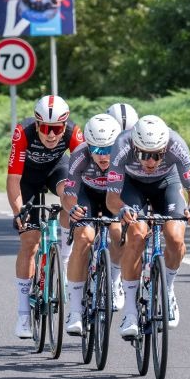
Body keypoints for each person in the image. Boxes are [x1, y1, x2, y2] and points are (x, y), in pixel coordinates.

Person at [104, 114, 190, 338]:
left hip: (167, 183)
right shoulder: (121, 145)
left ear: (165, 147)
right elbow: (111, 198)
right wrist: (122, 209)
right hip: (132, 186)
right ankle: (130, 311)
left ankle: (168, 290)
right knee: (137, 235)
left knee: (176, 237)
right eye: (143, 155)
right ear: (134, 146)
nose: (150, 162)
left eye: (157, 155)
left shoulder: (176, 144)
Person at [6, 94, 85, 339]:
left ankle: (63, 255)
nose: (51, 135)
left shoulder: (74, 132)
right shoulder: (24, 132)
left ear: (65, 126)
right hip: (27, 178)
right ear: (38, 125)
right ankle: (23, 314)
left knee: (68, 195)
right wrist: (19, 211)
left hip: (56, 170)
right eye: (46, 128)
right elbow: (13, 180)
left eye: (57, 129)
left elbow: (84, 172)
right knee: (29, 240)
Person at [62, 106, 137, 335]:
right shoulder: (80, 155)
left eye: (108, 149)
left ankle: (114, 282)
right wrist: (72, 209)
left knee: (118, 235)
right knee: (83, 238)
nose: (103, 156)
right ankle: (75, 311)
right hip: (88, 196)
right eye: (96, 149)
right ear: (88, 145)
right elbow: (69, 193)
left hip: (114, 197)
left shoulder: (126, 154)